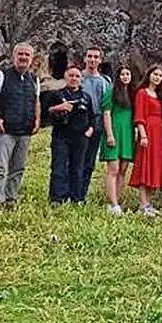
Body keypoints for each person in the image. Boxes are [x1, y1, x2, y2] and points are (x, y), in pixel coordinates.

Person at [0, 42, 40, 210]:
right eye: (20, 54)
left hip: (24, 131)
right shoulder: (1, 75)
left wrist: (37, 120)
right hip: (5, 130)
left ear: (32, 59)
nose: (23, 57)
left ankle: (11, 200)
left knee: (18, 168)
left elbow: (36, 101)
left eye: (27, 55)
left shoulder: (34, 79)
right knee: (0, 167)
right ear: (14, 56)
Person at [43, 66, 95, 205]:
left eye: (77, 76)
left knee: (78, 168)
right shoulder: (56, 95)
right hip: (61, 136)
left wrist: (90, 130)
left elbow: (92, 116)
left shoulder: (86, 97)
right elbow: (45, 113)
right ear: (65, 78)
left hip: (81, 137)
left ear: (81, 79)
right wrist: (59, 108)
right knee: (59, 168)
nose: (74, 79)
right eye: (71, 76)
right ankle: (57, 198)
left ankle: (76, 198)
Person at [130, 65, 162, 217]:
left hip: (159, 133)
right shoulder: (142, 93)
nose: (157, 77)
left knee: (155, 167)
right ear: (149, 74)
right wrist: (143, 135)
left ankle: (149, 203)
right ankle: (143, 204)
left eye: (160, 75)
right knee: (145, 165)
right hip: (148, 132)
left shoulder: (160, 95)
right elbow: (139, 116)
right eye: (155, 74)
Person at [100, 64, 136, 216]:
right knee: (113, 169)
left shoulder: (132, 94)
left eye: (128, 74)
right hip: (114, 132)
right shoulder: (111, 92)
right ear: (118, 76)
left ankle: (118, 201)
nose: (126, 77)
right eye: (123, 74)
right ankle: (112, 203)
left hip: (127, 134)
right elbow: (106, 113)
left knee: (123, 169)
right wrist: (109, 134)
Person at [79, 46, 111, 201]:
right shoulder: (78, 77)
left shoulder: (105, 81)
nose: (92, 60)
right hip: (78, 124)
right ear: (85, 58)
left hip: (97, 124)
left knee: (89, 161)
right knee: (75, 159)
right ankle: (72, 191)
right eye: (89, 56)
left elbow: (106, 106)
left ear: (100, 60)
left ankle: (82, 193)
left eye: (96, 57)